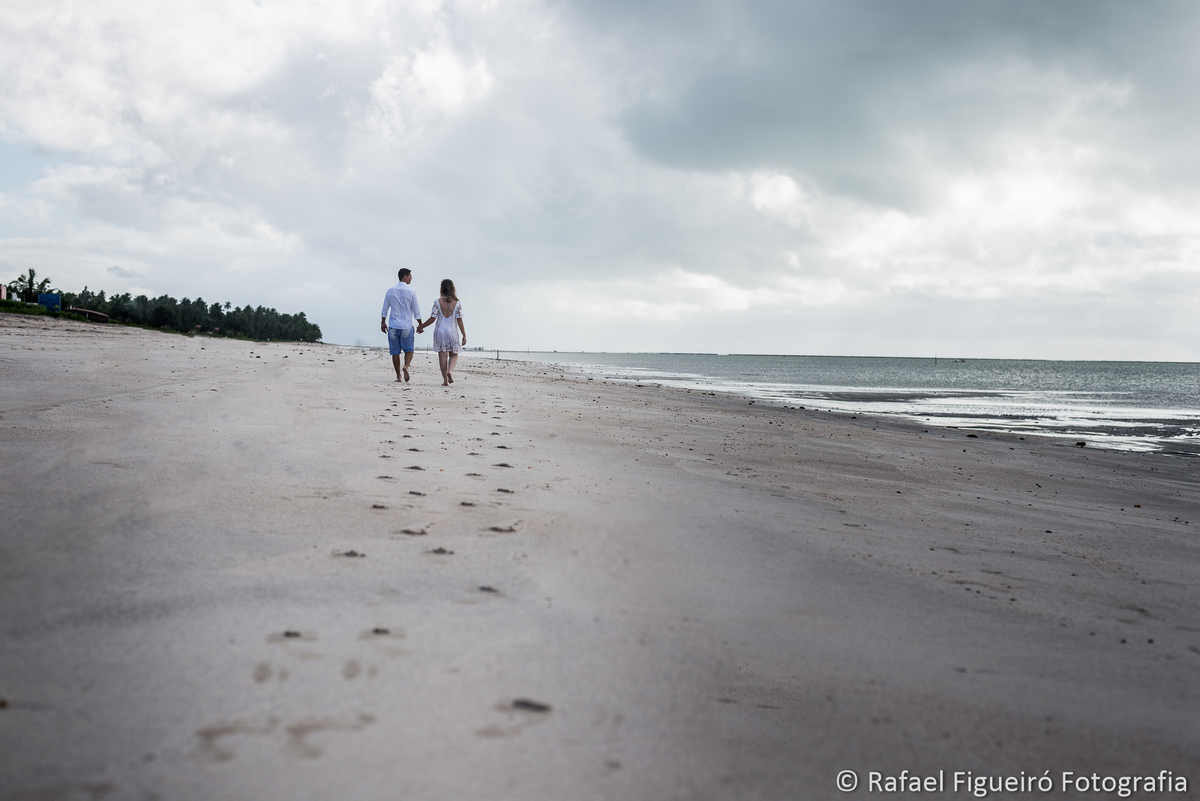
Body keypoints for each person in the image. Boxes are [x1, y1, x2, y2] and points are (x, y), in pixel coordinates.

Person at [416, 279, 466, 387]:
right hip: (452, 331)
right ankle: (450, 371)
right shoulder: (457, 303)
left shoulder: (437, 302)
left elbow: (432, 318)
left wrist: (421, 326)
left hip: (440, 331)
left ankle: (445, 380)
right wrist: (464, 335)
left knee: (442, 356)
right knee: (454, 354)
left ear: (442, 288)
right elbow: (459, 320)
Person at [380, 268, 422, 382]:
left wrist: (383, 322)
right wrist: (420, 325)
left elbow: (385, 309)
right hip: (407, 326)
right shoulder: (412, 291)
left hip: (393, 326)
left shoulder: (390, 291)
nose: (411, 278)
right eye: (410, 276)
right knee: (409, 349)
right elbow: (416, 310)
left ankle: (398, 376)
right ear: (405, 277)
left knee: (395, 352)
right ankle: (406, 366)